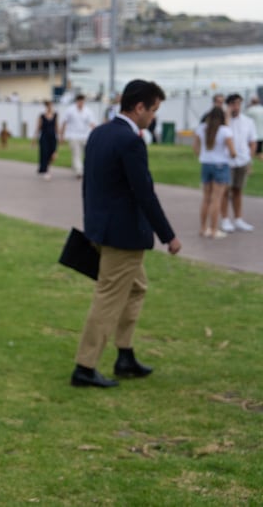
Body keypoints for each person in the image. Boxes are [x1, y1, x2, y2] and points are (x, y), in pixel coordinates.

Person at [71, 79, 182, 389]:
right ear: (139, 107)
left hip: (103, 231)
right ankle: (85, 366)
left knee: (136, 288)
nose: (154, 117)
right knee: (108, 298)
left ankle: (125, 355)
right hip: (123, 237)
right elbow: (144, 193)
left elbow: (88, 186)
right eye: (154, 110)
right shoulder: (131, 141)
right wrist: (169, 236)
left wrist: (91, 225)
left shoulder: (99, 132)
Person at [193, 107, 236, 238]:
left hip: (206, 164)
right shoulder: (225, 130)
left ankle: (203, 228)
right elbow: (232, 152)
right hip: (220, 165)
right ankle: (213, 229)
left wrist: (203, 155)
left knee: (206, 198)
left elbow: (195, 147)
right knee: (216, 199)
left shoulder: (201, 128)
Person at [220, 93, 258, 233]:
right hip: (226, 162)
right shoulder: (223, 121)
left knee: (238, 190)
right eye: (233, 104)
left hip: (242, 160)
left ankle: (238, 219)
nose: (236, 107)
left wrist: (249, 159)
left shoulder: (248, 121)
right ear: (228, 105)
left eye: (238, 104)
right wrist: (227, 117)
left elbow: (252, 142)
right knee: (225, 191)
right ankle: (225, 219)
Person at [60, 93, 96, 179]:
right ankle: (79, 172)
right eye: (79, 101)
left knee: (88, 154)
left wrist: (97, 133)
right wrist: (61, 136)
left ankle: (85, 170)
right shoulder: (70, 110)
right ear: (77, 101)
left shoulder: (88, 111)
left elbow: (92, 124)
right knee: (76, 154)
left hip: (85, 136)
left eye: (82, 101)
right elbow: (64, 122)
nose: (81, 103)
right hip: (73, 136)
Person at [35, 100, 59, 180]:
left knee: (53, 154)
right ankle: (46, 170)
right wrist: (34, 138)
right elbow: (38, 127)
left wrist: (60, 137)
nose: (50, 107)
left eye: (51, 105)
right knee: (44, 153)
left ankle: (46, 167)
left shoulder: (55, 115)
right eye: (48, 105)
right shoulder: (42, 116)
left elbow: (56, 127)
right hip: (44, 137)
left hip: (52, 137)